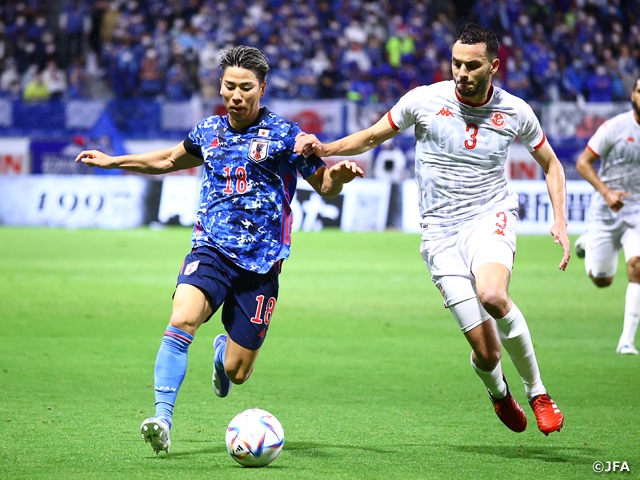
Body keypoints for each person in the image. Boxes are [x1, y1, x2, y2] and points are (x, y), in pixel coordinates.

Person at [75, 45, 363, 454]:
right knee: (182, 318)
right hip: (211, 249)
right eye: (229, 87)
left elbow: (325, 185)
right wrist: (113, 161)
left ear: (262, 89)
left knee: (238, 371)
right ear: (221, 86)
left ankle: (222, 352)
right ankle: (162, 419)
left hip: (261, 264)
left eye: (246, 88)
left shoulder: (286, 136)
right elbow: (167, 161)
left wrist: (341, 176)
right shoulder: (207, 131)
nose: (236, 96)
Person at [295, 23, 570, 436]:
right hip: (439, 232)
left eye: (472, 65)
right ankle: (499, 393)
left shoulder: (516, 111)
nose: (462, 72)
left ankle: (539, 393)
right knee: (487, 353)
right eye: (456, 63)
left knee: (493, 295)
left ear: (493, 66)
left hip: (489, 216)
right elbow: (371, 136)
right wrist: (326, 148)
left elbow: (552, 163)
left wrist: (559, 219)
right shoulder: (424, 99)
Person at [574, 77, 640, 355]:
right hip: (606, 209)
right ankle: (588, 242)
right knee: (602, 280)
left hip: (637, 211)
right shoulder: (615, 127)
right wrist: (606, 192)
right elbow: (583, 162)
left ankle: (626, 341)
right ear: (633, 95)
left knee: (637, 267)